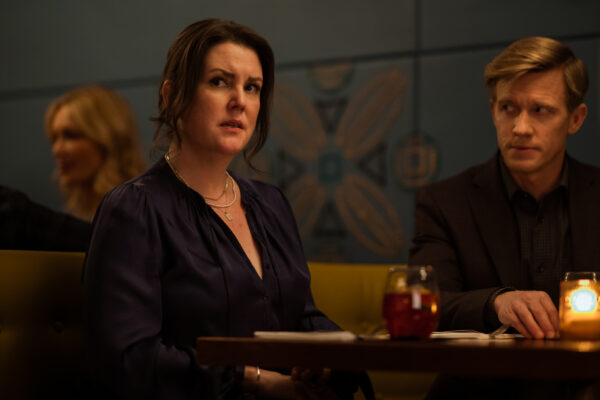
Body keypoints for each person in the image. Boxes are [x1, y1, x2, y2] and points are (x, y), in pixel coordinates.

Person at [83, 19, 360, 400]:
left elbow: (302, 317)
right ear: (171, 95)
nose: (240, 101)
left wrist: (329, 357)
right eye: (219, 82)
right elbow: (128, 360)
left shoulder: (272, 204)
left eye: (252, 88)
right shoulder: (134, 209)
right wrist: (256, 380)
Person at [410, 37, 598, 399]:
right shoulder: (445, 201)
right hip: (478, 390)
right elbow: (426, 303)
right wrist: (497, 303)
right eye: (508, 108)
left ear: (575, 118)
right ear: (493, 109)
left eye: (541, 110)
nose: (521, 128)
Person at [45, 85, 147, 221]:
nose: (56, 150)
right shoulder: (85, 216)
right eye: (54, 138)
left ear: (107, 139)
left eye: (70, 135)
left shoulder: (140, 215)